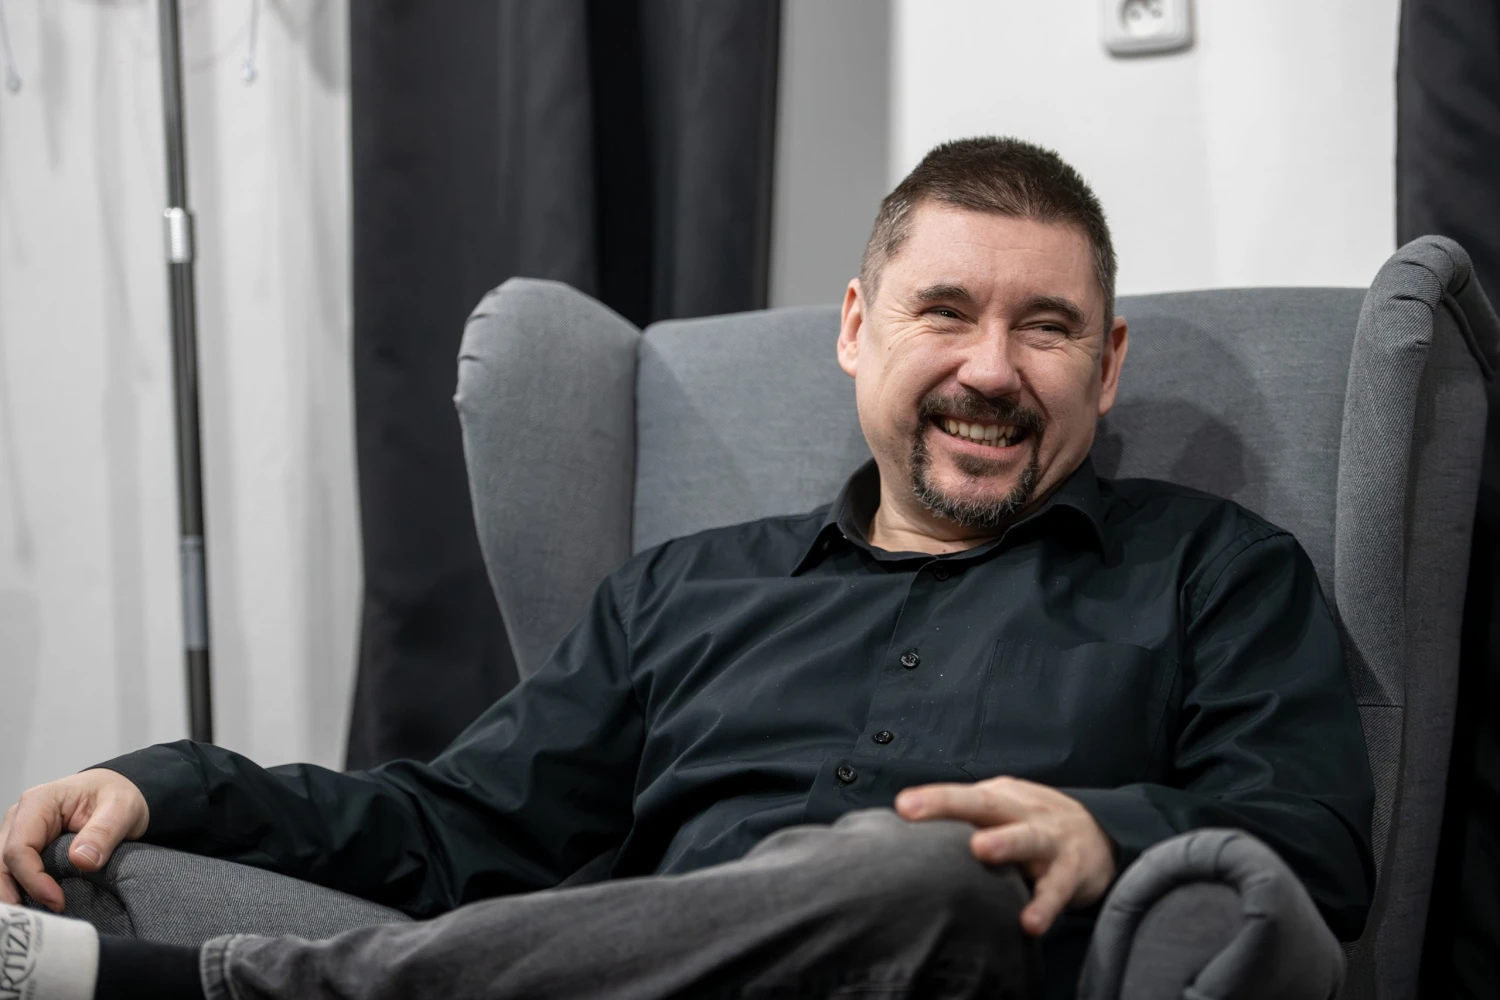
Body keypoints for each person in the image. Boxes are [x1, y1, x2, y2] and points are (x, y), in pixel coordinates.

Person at [0, 136, 1375, 1000]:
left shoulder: (1214, 574)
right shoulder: (681, 593)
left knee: (935, 868)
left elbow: (1314, 845)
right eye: (945, 312)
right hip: (651, 966)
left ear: (1107, 364)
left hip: (959, 953)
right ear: (858, 328)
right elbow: (452, 828)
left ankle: (217, 992)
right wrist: (169, 782)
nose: (991, 369)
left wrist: (1101, 831)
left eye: (1048, 329)